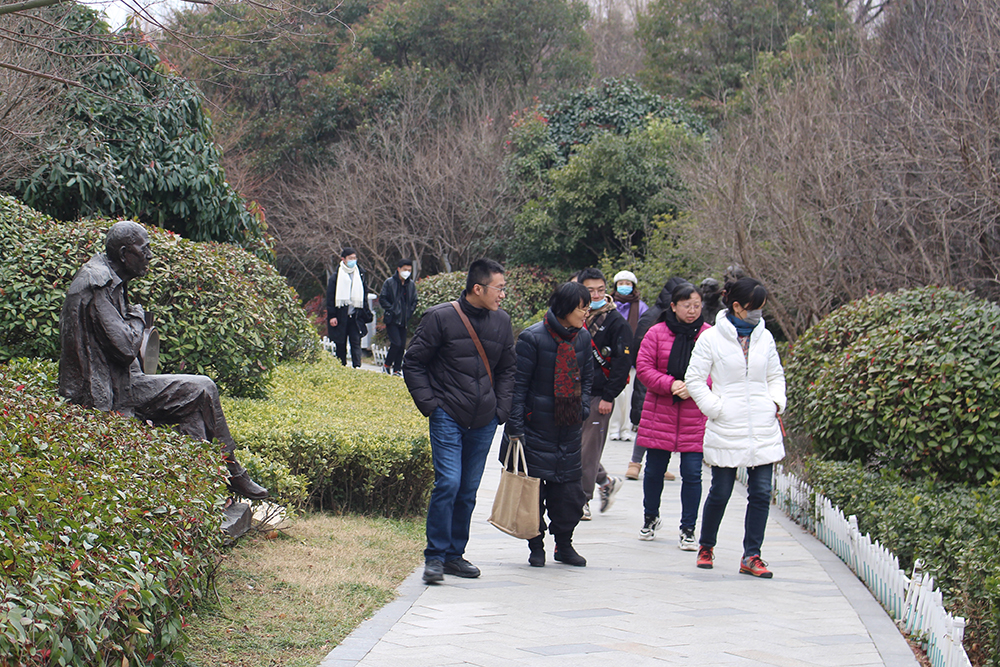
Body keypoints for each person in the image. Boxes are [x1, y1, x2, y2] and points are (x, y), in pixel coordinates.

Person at [58, 221, 268, 500]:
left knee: (192, 412)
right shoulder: (97, 284)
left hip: (122, 382)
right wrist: (137, 318)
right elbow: (125, 348)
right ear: (124, 254)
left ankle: (200, 493)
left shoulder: (111, 277)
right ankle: (234, 473)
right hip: (109, 394)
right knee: (204, 388)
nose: (149, 255)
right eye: (144, 249)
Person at [403, 259, 517, 584]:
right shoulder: (440, 317)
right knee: (449, 483)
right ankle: (435, 558)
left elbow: (509, 368)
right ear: (478, 288)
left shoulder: (502, 322)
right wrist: (432, 406)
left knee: (467, 489)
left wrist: (500, 410)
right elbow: (413, 363)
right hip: (448, 415)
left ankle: (455, 555)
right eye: (499, 288)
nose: (503, 295)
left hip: (484, 419)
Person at [685, 276, 786, 578]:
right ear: (737, 306)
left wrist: (775, 403)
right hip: (727, 426)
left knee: (762, 492)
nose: (758, 313)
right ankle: (706, 546)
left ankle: (752, 555)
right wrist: (716, 408)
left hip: (762, 426)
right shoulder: (711, 338)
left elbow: (775, 375)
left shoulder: (765, 337)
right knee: (721, 491)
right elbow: (694, 380)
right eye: (753, 307)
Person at [505, 282, 594, 567]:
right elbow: (518, 386)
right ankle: (536, 545)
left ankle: (564, 545)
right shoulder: (532, 338)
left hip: (569, 429)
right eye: (582, 307)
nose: (586, 313)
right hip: (535, 429)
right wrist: (516, 427)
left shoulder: (583, 337)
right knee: (533, 494)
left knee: (569, 495)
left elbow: (588, 379)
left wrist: (582, 408)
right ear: (566, 308)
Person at [634, 283, 710, 549]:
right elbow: (644, 367)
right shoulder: (656, 333)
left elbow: (719, 370)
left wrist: (695, 386)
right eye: (687, 305)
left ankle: (688, 528)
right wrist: (670, 384)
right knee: (654, 470)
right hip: (660, 411)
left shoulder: (709, 335)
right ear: (674, 306)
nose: (692, 311)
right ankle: (650, 517)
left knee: (692, 473)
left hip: (694, 414)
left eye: (697, 305)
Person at [577, 268, 632, 520]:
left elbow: (622, 363)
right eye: (591, 291)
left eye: (601, 290)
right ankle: (605, 482)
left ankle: (582, 499)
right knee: (575, 446)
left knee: (589, 449)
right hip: (572, 392)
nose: (597, 295)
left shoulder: (615, 322)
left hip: (600, 394)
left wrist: (609, 396)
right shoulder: (575, 315)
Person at [627, 277, 693, 481]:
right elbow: (638, 347)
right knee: (649, 422)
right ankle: (636, 463)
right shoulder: (655, 317)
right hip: (653, 378)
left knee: (657, 423)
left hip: (669, 381)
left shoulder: (659, 314)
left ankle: (655, 464)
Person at [608, 270, 648, 443]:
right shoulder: (609, 304)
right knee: (617, 395)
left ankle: (626, 428)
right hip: (612, 357)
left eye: (628, 284)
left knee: (630, 395)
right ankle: (613, 428)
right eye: (621, 283)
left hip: (632, 357)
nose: (624, 286)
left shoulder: (641, 307)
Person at [326, 248, 373, 368]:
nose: (353, 261)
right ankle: (341, 367)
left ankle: (357, 367)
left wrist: (366, 312)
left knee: (356, 342)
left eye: (354, 258)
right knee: (340, 344)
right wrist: (332, 315)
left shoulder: (360, 274)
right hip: (341, 315)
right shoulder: (336, 277)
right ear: (343, 259)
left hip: (356, 315)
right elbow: (330, 298)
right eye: (350, 258)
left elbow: (364, 295)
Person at [378, 258, 418, 376]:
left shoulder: (411, 284)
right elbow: (383, 298)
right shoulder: (389, 282)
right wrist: (392, 309)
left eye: (409, 270)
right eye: (405, 269)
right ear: (399, 269)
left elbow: (414, 300)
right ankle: (386, 365)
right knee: (396, 343)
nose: (407, 272)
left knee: (401, 346)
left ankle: (397, 369)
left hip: (404, 319)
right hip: (392, 318)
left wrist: (409, 312)